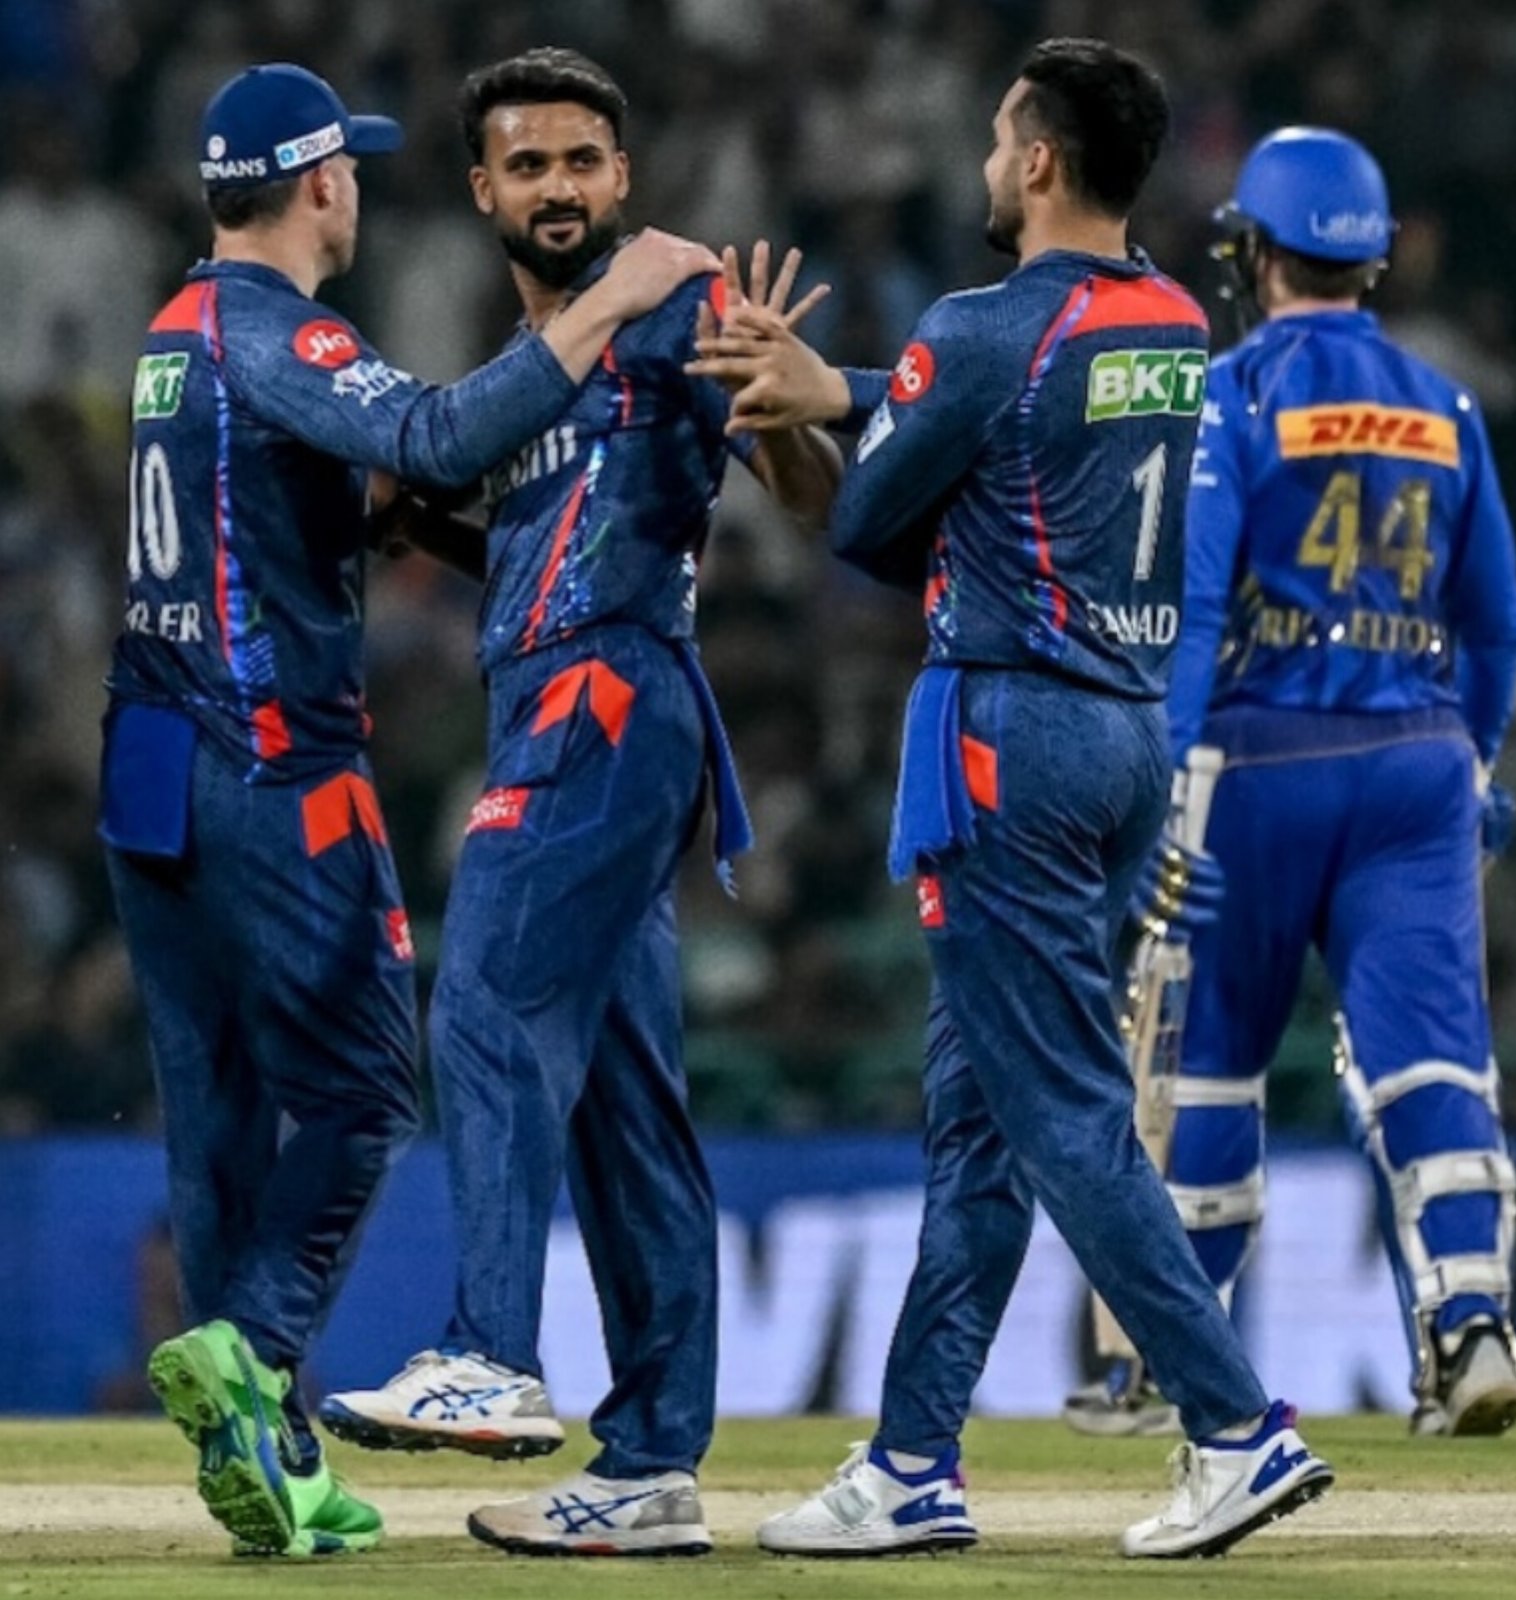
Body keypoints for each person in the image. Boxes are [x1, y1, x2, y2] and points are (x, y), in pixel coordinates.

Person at [687, 38, 1330, 1561]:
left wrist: (779, 411)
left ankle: (1235, 1425)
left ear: (1038, 160)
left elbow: (863, 517)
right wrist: (849, 383)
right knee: (982, 1126)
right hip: (1123, 743)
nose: (983, 165)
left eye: (996, 140)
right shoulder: (1168, 318)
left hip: (1010, 746)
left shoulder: (980, 326)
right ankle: (914, 1459)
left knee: (1061, 1116)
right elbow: (997, 408)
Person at [101, 60, 718, 1559]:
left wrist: (362, 517)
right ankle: (256, 1349)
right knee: (370, 1086)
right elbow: (439, 439)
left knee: (218, 1106)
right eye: (354, 170)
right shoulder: (283, 327)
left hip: (146, 762)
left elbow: (287, 505)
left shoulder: (175, 335)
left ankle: (266, 1452)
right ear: (324, 184)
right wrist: (605, 305)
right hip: (272, 763)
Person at [317, 49, 838, 1558]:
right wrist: (439, 533)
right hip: (586, 700)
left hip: (602, 700)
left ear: (625, 179)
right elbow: (556, 550)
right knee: (624, 1109)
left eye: (583, 162)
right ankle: (654, 1463)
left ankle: (491, 1351)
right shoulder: (539, 359)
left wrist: (785, 404)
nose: (559, 188)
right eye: (530, 165)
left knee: (483, 1005)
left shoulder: (670, 304)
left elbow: (810, 501)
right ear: (483, 190)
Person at [1064, 128, 1516, 1440]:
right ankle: (1471, 1324)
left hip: (1257, 761)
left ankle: (1172, 1365)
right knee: (1433, 1057)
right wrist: (1475, 760)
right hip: (1416, 765)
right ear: (1370, 260)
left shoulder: (1230, 397)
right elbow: (1497, 626)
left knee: (1208, 1064)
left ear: (1253, 255)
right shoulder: (1446, 407)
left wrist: (1162, 786)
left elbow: (1197, 610)